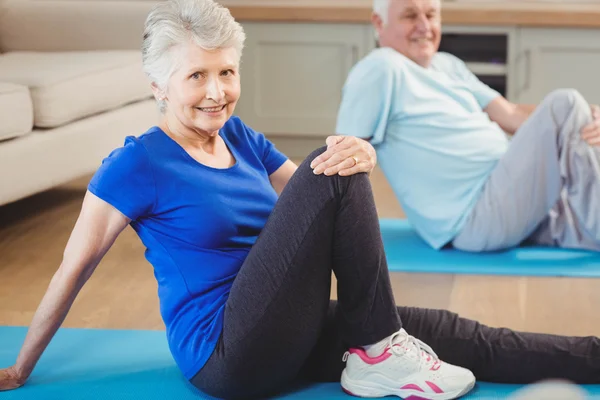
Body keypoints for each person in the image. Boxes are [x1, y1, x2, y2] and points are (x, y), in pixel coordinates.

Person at [1, 1, 600, 399]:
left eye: (227, 73)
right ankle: (382, 347)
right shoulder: (134, 164)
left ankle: (586, 357)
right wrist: (21, 366)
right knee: (335, 158)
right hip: (226, 352)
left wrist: (358, 160)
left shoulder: (239, 136)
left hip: (287, 321)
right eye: (196, 77)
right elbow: (72, 269)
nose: (217, 93)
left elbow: (318, 207)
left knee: (453, 332)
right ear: (157, 86)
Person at [334, 0, 600, 253]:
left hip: (513, 195)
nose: (424, 26)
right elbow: (342, 155)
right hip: (475, 216)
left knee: (576, 114)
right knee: (566, 102)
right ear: (379, 23)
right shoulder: (380, 68)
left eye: (431, 15)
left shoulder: (447, 64)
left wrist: (584, 116)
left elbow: (513, 114)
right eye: (410, 15)